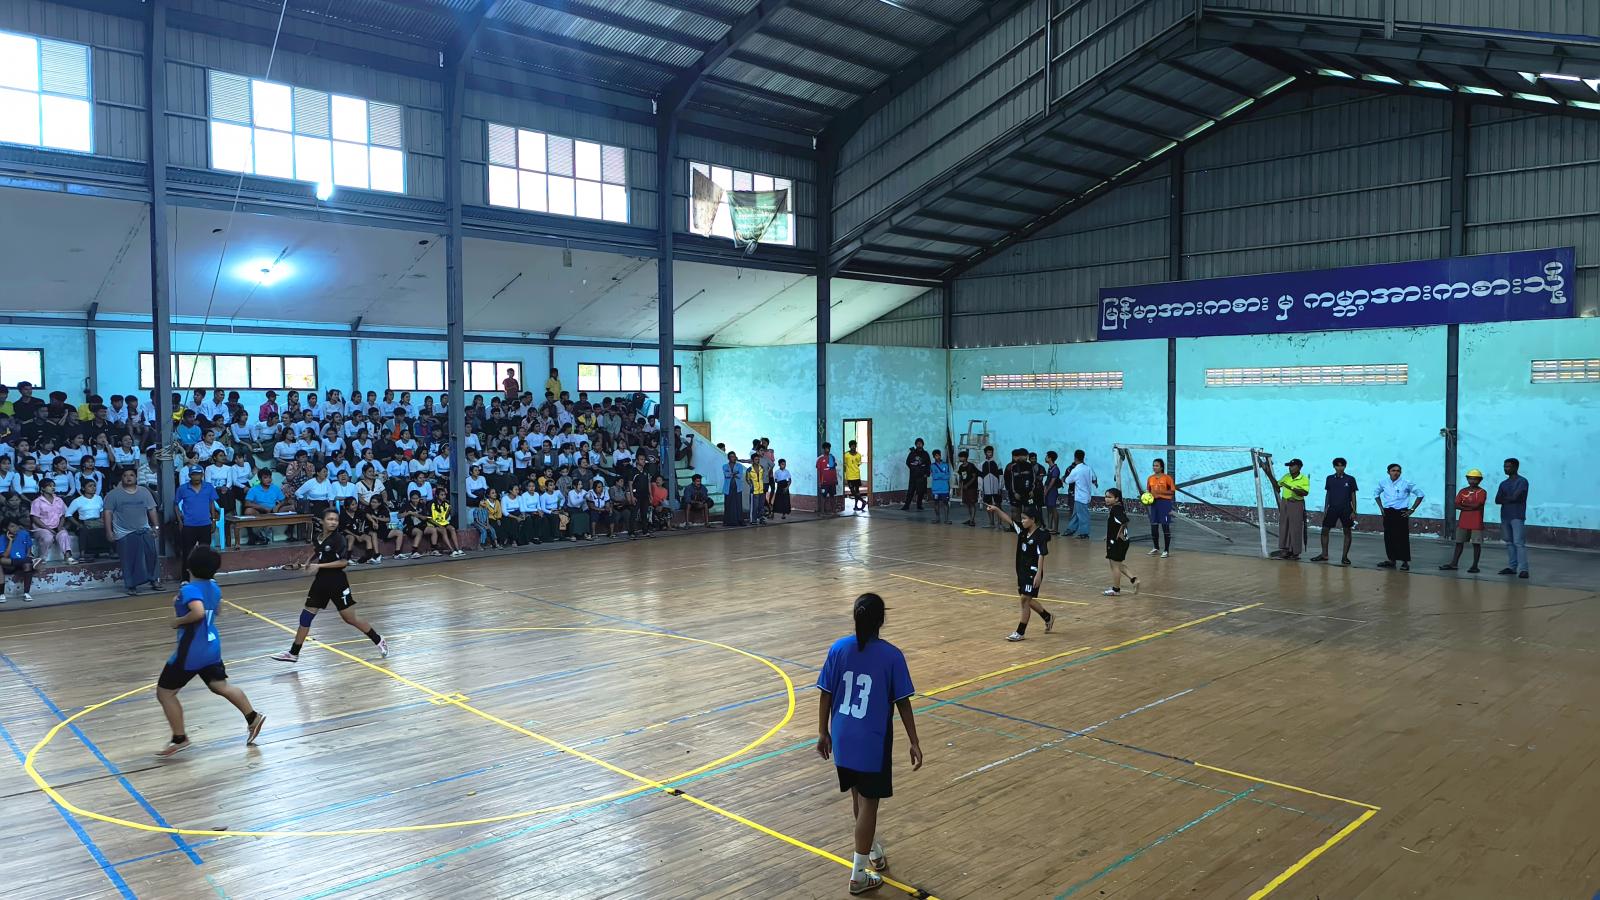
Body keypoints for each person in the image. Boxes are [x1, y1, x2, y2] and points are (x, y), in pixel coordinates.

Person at [815, 593, 922, 897]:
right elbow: (902, 702)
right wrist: (914, 741)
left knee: (858, 798)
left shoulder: (838, 648)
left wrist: (822, 732)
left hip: (843, 735)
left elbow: (825, 693)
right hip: (872, 740)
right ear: (881, 620)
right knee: (870, 803)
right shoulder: (892, 656)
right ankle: (858, 876)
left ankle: (872, 851)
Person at [154, 546, 266, 757]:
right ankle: (253, 717)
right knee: (220, 686)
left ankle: (180, 738)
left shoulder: (189, 590)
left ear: (189, 566)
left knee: (165, 693)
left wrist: (178, 621)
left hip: (191, 652)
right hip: (211, 646)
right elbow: (217, 609)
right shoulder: (213, 586)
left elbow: (197, 612)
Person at [270, 509, 388, 664]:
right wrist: (308, 561)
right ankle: (293, 653)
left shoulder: (339, 539)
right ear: (322, 521)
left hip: (337, 582)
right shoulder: (318, 537)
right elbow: (318, 550)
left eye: (335, 520)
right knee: (306, 616)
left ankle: (378, 639)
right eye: (330, 519)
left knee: (350, 618)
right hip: (320, 582)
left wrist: (319, 566)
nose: (333, 522)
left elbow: (343, 562)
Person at [985, 503, 1057, 642]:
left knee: (1024, 600)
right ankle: (1048, 617)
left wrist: (1038, 574)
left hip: (1033, 572)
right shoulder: (1022, 531)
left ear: (1033, 519)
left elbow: (1041, 555)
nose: (1022, 521)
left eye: (1025, 518)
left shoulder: (1040, 536)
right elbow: (1008, 520)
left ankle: (1020, 632)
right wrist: (996, 509)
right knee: (1027, 599)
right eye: (1021, 518)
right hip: (1022, 571)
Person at [104, 467, 162, 596]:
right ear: (121, 478)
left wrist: (156, 526)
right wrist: (109, 531)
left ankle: (154, 580)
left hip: (144, 529)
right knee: (128, 560)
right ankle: (131, 585)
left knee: (152, 555)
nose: (128, 477)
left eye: (131, 475)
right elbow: (107, 513)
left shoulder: (144, 492)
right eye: (125, 475)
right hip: (124, 532)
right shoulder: (113, 495)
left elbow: (152, 509)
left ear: (136, 477)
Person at [1373, 463, 1424, 571]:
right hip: (1388, 512)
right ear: (1388, 472)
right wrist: (1381, 507)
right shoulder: (1383, 482)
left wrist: (1412, 509)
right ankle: (1392, 560)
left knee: (1402, 537)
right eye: (1393, 470)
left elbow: (1420, 494)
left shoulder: (1406, 483)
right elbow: (1376, 493)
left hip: (1401, 513)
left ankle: (1405, 562)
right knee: (1389, 537)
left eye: (1398, 471)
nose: (1396, 473)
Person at [174, 465, 221, 579]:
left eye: (198, 474)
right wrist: (180, 521)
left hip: (205, 524)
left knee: (206, 553)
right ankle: (185, 578)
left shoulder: (209, 487)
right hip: (189, 525)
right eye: (194, 474)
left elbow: (211, 503)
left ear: (202, 475)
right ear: (190, 476)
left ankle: (207, 576)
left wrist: (213, 520)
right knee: (187, 552)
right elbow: (175, 504)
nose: (196, 477)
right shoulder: (182, 488)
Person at [1440, 468, 1489, 573]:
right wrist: (1471, 507)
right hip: (1463, 522)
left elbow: (1477, 505)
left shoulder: (1482, 492)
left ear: (1480, 480)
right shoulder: (1463, 491)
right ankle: (1454, 563)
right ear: (1467, 479)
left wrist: (1464, 506)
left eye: (1475, 479)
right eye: (1470, 479)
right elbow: (1457, 505)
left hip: (1476, 522)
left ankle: (1475, 565)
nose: (1472, 481)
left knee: (1476, 544)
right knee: (1459, 543)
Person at [1310, 457, 1357, 566]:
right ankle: (1324, 554)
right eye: (1337, 466)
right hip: (1332, 508)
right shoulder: (1330, 478)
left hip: (1346, 509)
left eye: (1342, 465)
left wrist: (1354, 511)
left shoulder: (1350, 479)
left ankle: (1344, 557)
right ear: (1334, 467)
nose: (1340, 468)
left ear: (1345, 466)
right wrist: (1325, 508)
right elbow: (1328, 494)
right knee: (1325, 530)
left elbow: (1353, 495)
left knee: (1347, 531)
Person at [1495, 458, 1529, 578]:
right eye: (1505, 466)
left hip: (1517, 515)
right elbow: (1497, 500)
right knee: (1509, 542)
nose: (1506, 469)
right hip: (1505, 515)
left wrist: (1506, 498)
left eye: (1508, 467)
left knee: (1519, 542)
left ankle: (1523, 569)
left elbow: (1516, 497)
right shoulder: (1503, 483)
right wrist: (1510, 498)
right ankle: (1512, 567)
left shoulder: (1522, 481)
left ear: (1515, 467)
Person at [1270, 458, 1309, 561]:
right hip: (1285, 502)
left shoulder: (1303, 478)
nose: (1290, 468)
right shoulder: (1286, 476)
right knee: (1285, 526)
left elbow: (1305, 492)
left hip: (1296, 504)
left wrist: (1290, 487)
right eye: (1289, 466)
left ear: (1299, 467)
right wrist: (1268, 472)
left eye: (1292, 466)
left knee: (1295, 527)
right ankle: (1286, 549)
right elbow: (1277, 485)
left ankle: (1295, 552)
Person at [1103, 487, 1138, 595]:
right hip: (1121, 541)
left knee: (1115, 566)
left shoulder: (1116, 509)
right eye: (1106, 496)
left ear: (1117, 498)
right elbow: (1118, 523)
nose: (1106, 499)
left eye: (1110, 497)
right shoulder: (1119, 507)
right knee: (1118, 564)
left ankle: (1116, 589)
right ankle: (1134, 580)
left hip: (1117, 542)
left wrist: (1119, 534)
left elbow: (1124, 521)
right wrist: (1109, 535)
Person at [29, 479, 73, 563]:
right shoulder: (37, 501)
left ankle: (68, 557)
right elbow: (35, 518)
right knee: (48, 537)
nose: (53, 488)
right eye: (50, 486)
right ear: (42, 488)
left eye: (53, 486)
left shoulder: (59, 500)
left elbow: (63, 515)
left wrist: (60, 526)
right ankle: (42, 558)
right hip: (42, 528)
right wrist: (48, 529)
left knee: (64, 534)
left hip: (57, 527)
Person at [66, 479, 110, 559]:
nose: (93, 488)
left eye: (94, 486)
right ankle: (83, 554)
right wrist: (78, 524)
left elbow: (101, 510)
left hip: (97, 521)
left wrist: (102, 520)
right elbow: (68, 514)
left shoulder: (98, 498)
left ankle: (107, 551)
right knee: (83, 530)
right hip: (84, 522)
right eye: (90, 486)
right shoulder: (78, 501)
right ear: (83, 488)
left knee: (108, 527)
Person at [1062, 450, 1096, 539]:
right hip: (1086, 495)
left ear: (1075, 458)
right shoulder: (1088, 468)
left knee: (1083, 515)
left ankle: (1084, 532)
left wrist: (1063, 479)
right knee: (1076, 513)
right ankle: (1071, 529)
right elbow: (1094, 478)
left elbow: (1068, 480)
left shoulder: (1076, 470)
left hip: (1080, 496)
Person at [1145, 457, 1174, 558]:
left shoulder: (1167, 478)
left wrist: (1160, 492)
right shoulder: (1150, 478)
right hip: (1154, 504)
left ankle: (1166, 550)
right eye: (1153, 465)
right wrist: (1146, 498)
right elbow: (1148, 491)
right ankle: (1156, 547)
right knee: (1154, 525)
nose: (1154, 467)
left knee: (1165, 526)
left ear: (1161, 467)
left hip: (1164, 504)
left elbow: (1172, 492)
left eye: (1157, 466)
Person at [2, 520, 36, 602]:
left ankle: (26, 593)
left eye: (17, 526)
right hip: (9, 565)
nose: (15, 528)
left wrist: (28, 556)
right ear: (5, 529)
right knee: (2, 560)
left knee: (27, 564)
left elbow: (28, 548)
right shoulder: (2, 538)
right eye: (12, 526)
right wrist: (10, 541)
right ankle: (33, 562)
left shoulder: (24, 534)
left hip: (22, 564)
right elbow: (5, 555)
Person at [901, 439, 930, 512]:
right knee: (910, 491)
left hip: (922, 475)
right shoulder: (912, 453)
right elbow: (908, 462)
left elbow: (928, 464)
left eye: (920, 443)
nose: (919, 445)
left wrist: (927, 473)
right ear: (916, 444)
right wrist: (913, 468)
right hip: (913, 475)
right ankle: (906, 505)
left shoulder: (925, 454)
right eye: (918, 443)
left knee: (921, 491)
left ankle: (919, 505)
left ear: (923, 444)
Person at [978, 446, 1003, 528]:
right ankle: (991, 523)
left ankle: (999, 523)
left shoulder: (997, 462)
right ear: (985, 453)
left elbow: (1001, 475)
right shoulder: (981, 464)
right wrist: (981, 488)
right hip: (986, 488)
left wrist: (1000, 487)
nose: (990, 453)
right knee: (988, 505)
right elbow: (980, 477)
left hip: (996, 488)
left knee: (998, 505)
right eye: (988, 452)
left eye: (991, 452)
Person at [721, 451, 746, 527]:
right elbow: (726, 475)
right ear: (728, 458)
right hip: (728, 488)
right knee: (728, 504)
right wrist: (735, 473)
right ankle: (727, 521)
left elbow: (740, 475)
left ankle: (740, 520)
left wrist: (732, 474)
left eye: (734, 456)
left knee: (738, 504)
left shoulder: (739, 466)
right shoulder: (725, 466)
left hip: (737, 487)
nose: (733, 458)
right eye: (732, 456)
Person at [956, 450, 979, 527]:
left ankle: (972, 520)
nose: (960, 458)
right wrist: (960, 487)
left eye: (961, 457)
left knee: (972, 503)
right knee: (968, 503)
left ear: (965, 457)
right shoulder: (961, 467)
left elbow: (974, 477)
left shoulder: (971, 466)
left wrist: (967, 485)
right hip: (965, 488)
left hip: (972, 487)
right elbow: (960, 477)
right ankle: (971, 518)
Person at [1042, 451, 1063, 534]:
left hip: (1052, 491)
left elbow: (1052, 481)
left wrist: (1046, 490)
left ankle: (1055, 529)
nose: (1045, 458)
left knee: (1053, 509)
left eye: (1047, 456)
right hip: (1048, 490)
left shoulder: (1055, 469)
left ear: (1050, 458)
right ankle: (1049, 527)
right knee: (1049, 509)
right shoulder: (1050, 468)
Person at [815, 443, 839, 516]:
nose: (827, 450)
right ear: (823, 449)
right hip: (824, 482)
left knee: (832, 496)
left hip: (832, 481)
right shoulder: (820, 459)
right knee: (823, 496)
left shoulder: (832, 457)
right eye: (826, 448)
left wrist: (836, 479)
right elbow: (818, 471)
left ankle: (833, 511)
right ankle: (822, 512)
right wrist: (819, 482)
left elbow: (834, 469)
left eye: (829, 448)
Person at [928, 450, 950, 525]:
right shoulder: (932, 466)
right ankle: (937, 518)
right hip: (936, 488)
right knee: (936, 503)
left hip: (945, 488)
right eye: (936, 456)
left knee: (945, 503)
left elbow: (947, 476)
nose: (937, 457)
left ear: (940, 455)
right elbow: (934, 476)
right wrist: (942, 475)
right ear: (934, 457)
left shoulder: (946, 465)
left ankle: (946, 519)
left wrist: (939, 475)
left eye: (938, 455)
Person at [844, 440, 866, 512]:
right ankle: (863, 501)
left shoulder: (858, 455)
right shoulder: (846, 455)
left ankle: (856, 506)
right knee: (852, 491)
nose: (853, 447)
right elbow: (844, 464)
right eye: (852, 446)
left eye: (854, 446)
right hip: (849, 476)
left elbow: (858, 464)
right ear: (849, 446)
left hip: (856, 475)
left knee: (857, 491)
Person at [746, 453, 766, 525]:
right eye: (756, 459)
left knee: (761, 506)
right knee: (754, 506)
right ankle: (753, 520)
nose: (757, 461)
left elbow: (762, 477)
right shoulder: (749, 470)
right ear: (752, 460)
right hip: (754, 490)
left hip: (761, 489)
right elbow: (747, 479)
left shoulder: (761, 468)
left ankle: (761, 518)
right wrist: (751, 485)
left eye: (758, 459)